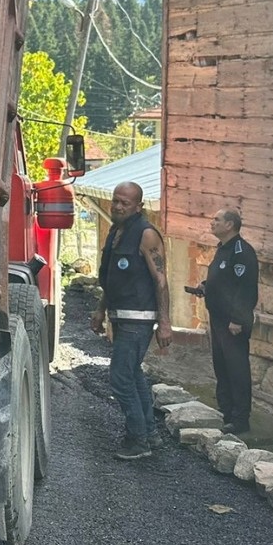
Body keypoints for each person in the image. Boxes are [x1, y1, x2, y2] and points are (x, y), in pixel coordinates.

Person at [90, 182, 172, 460]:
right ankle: (149, 433)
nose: (118, 206)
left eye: (125, 203)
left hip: (139, 320)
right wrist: (101, 310)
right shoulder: (116, 231)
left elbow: (160, 279)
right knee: (133, 375)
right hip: (120, 316)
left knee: (121, 379)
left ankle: (138, 441)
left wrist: (164, 322)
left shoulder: (146, 234)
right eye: (115, 201)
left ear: (139, 206)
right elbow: (111, 279)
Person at [186, 208, 258, 434]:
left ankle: (240, 419)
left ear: (230, 225)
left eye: (216, 219)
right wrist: (206, 287)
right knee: (222, 367)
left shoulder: (242, 252)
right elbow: (224, 281)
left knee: (236, 369)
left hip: (232, 323)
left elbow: (246, 289)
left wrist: (237, 319)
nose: (212, 222)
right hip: (217, 319)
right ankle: (226, 411)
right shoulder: (223, 249)